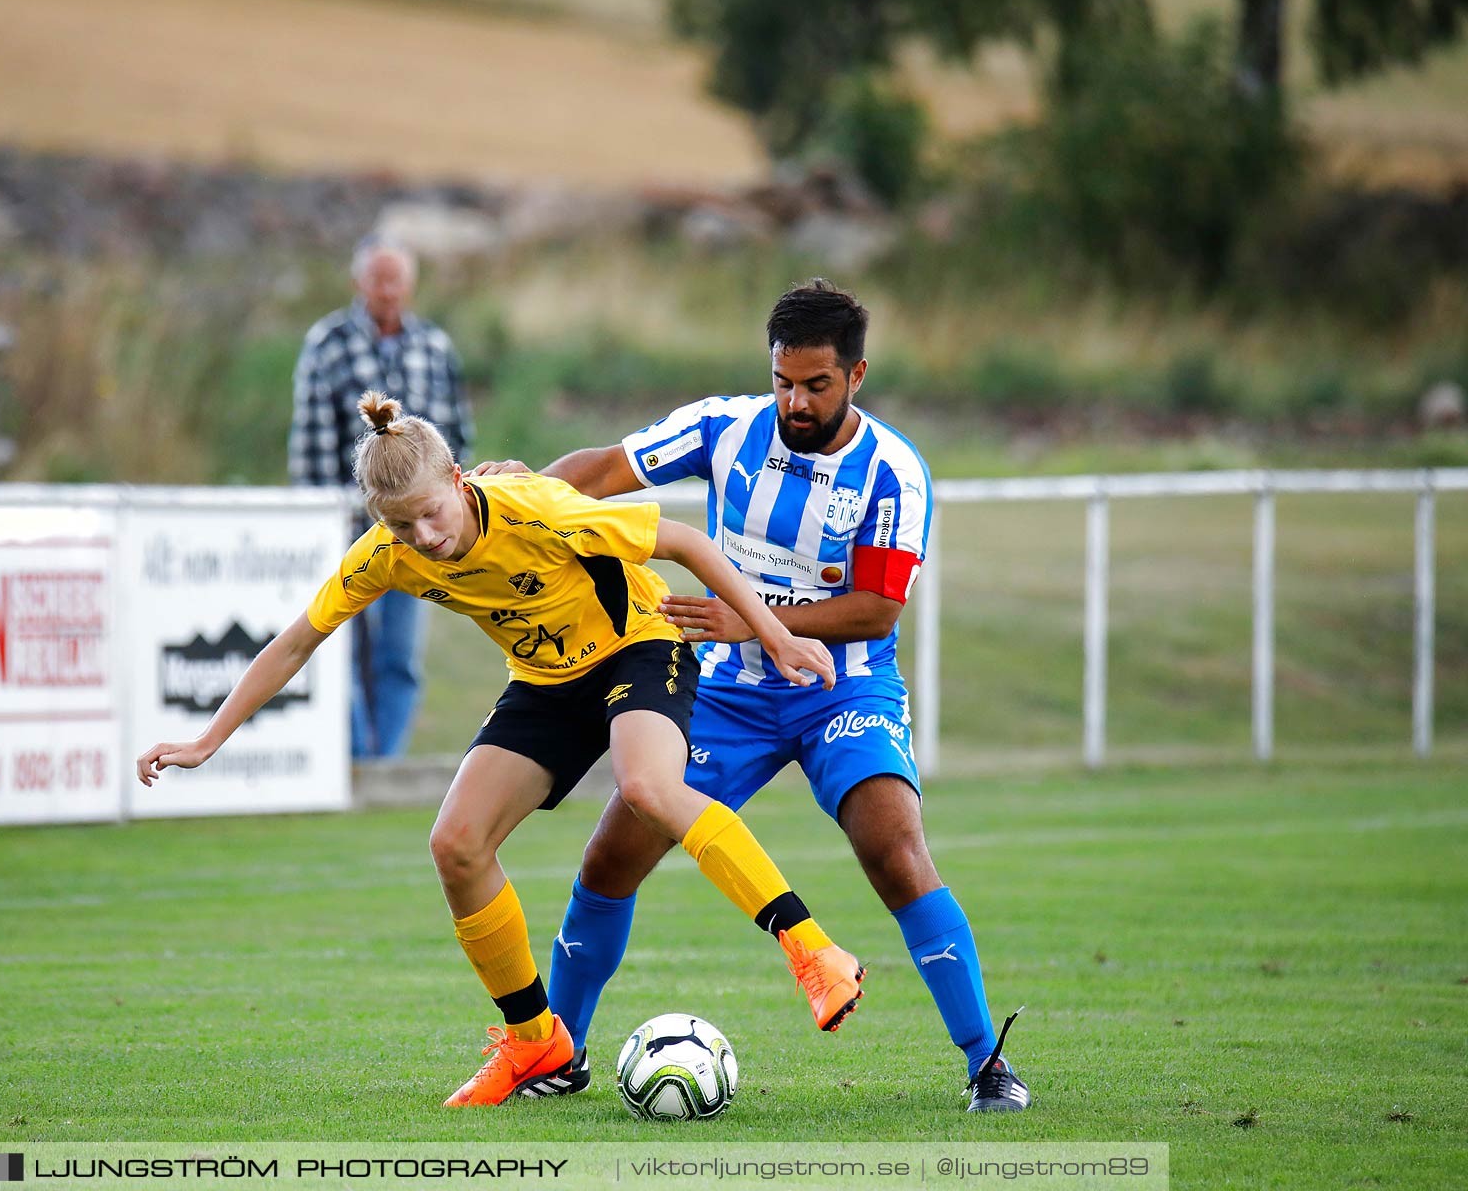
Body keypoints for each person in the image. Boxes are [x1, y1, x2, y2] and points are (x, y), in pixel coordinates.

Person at [140, 391, 864, 1108]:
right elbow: (296, 640)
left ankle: (812, 950)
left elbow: (684, 542)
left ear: (461, 481)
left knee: (646, 787)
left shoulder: (537, 507)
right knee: (455, 843)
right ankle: (533, 1040)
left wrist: (775, 633)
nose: (423, 535)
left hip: (635, 648)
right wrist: (207, 741)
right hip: (546, 681)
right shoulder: (388, 555)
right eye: (401, 522)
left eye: (433, 511)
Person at [474, 279, 1030, 1112]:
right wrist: (510, 499)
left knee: (894, 850)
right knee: (611, 856)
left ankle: (987, 1064)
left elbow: (878, 607)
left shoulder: (893, 472)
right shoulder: (725, 429)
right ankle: (560, 1054)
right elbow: (599, 470)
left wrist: (751, 618)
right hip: (729, 697)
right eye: (783, 382)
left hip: (844, 688)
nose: (795, 401)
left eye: (816, 385)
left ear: (856, 375)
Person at [289, 237, 473, 759]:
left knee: (400, 653)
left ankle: (384, 761)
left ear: (410, 286)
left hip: (423, 531)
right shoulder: (327, 343)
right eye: (378, 280)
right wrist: (323, 515)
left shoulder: (434, 347)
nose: (388, 291)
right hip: (350, 527)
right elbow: (311, 442)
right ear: (359, 284)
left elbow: (457, 429)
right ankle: (350, 754)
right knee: (341, 643)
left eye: (396, 280)